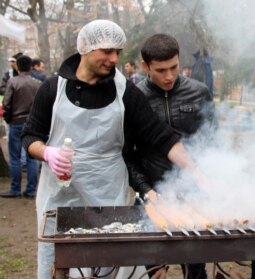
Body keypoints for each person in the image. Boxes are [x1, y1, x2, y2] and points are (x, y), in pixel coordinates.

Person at [21, 20, 203, 278]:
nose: (113, 58)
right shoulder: (53, 88)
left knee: (109, 258)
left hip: (106, 186)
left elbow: (160, 137)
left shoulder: (125, 91)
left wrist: (195, 170)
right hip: (60, 186)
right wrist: (47, 153)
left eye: (117, 52)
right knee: (57, 254)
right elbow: (30, 136)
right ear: (85, 47)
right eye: (107, 51)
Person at [128, 33, 216, 279]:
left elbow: (212, 141)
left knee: (195, 269)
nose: (168, 76)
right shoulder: (134, 98)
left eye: (174, 67)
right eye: (160, 70)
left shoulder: (199, 92)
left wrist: (205, 178)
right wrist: (146, 189)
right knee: (155, 270)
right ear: (145, 66)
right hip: (153, 192)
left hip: (192, 192)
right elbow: (127, 154)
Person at [0, 55, 41, 199]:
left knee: (15, 158)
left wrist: (8, 118)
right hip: (32, 124)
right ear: (31, 67)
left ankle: (15, 189)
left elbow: (6, 103)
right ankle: (31, 190)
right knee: (31, 158)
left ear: (17, 66)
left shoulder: (12, 82)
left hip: (16, 123)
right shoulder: (37, 83)